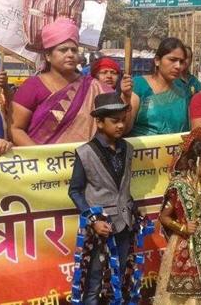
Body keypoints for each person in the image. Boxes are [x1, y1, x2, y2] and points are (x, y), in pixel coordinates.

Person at [67, 93, 137, 305]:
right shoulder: (85, 152)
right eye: (114, 121)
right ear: (99, 122)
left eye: (123, 120)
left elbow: (123, 188)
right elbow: (75, 191)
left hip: (125, 225)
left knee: (120, 276)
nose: (120, 125)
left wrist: (133, 211)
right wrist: (93, 220)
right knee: (94, 280)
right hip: (100, 228)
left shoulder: (128, 148)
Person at [10, 18, 123, 145]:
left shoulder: (92, 87)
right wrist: (42, 159)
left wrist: (127, 96)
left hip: (85, 161)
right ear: (48, 55)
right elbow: (16, 129)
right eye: (63, 50)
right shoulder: (32, 87)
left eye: (74, 50)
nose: (70, 54)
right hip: (44, 161)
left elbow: (118, 124)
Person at [154, 125, 201, 304]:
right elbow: (164, 217)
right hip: (182, 248)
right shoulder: (179, 186)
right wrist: (183, 227)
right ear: (194, 163)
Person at [129, 37, 189, 136]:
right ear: (157, 60)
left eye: (181, 62)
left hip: (173, 150)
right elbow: (125, 128)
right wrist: (126, 98)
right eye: (172, 60)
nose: (178, 66)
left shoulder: (181, 92)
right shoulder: (138, 85)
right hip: (143, 150)